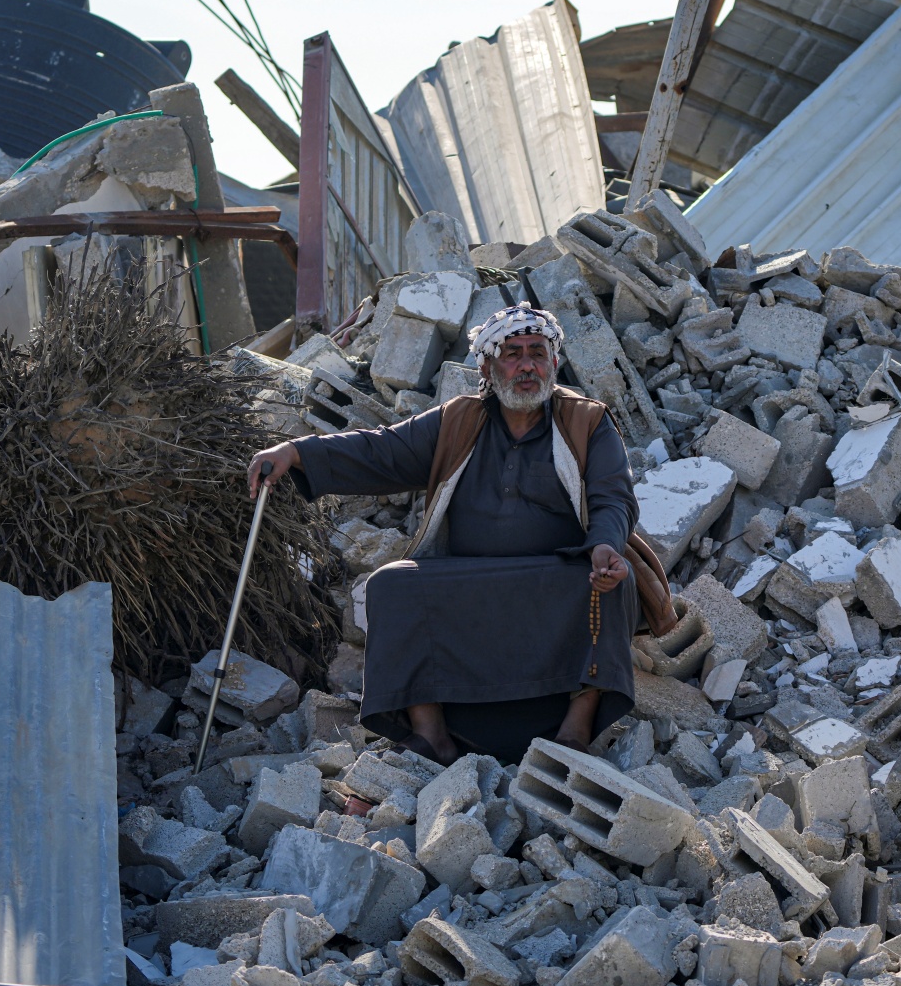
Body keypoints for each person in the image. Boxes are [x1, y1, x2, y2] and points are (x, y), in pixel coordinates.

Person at [247, 302, 649, 765]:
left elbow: (612, 497)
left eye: (537, 353)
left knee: (612, 584)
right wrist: (296, 452)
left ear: (554, 362)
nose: (526, 365)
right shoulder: (459, 421)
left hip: (554, 578)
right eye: (512, 354)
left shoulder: (587, 422)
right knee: (391, 586)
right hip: (466, 579)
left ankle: (575, 731)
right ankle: (431, 734)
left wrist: (604, 547)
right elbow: (381, 450)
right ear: (487, 366)